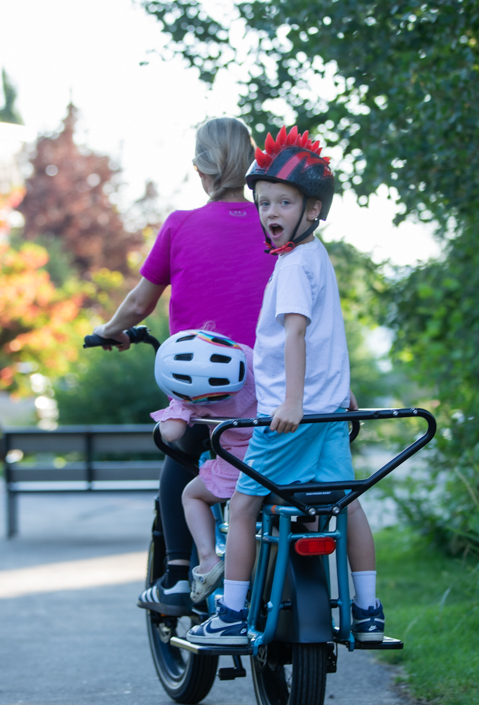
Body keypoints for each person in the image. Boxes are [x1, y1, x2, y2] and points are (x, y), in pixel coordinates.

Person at [187, 126, 385, 645]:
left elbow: (296, 334)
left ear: (312, 210)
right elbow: (329, 338)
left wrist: (293, 401)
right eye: (265, 202)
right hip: (329, 416)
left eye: (284, 202)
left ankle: (230, 615)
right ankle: (367, 609)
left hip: (288, 418)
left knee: (244, 504)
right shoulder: (317, 257)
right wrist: (340, 393)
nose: (270, 213)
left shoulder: (294, 266)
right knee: (346, 503)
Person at [92, 118, 276, 615]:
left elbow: (137, 306)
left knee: (180, 453)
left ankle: (178, 575)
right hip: (275, 387)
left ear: (199, 168)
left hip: (208, 386)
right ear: (252, 160)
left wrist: (111, 331)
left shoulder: (180, 224)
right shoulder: (277, 224)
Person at [150, 331, 259, 603]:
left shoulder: (192, 397)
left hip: (240, 469)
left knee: (192, 494)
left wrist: (180, 405)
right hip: (283, 457)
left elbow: (172, 434)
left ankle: (208, 561)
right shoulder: (251, 357)